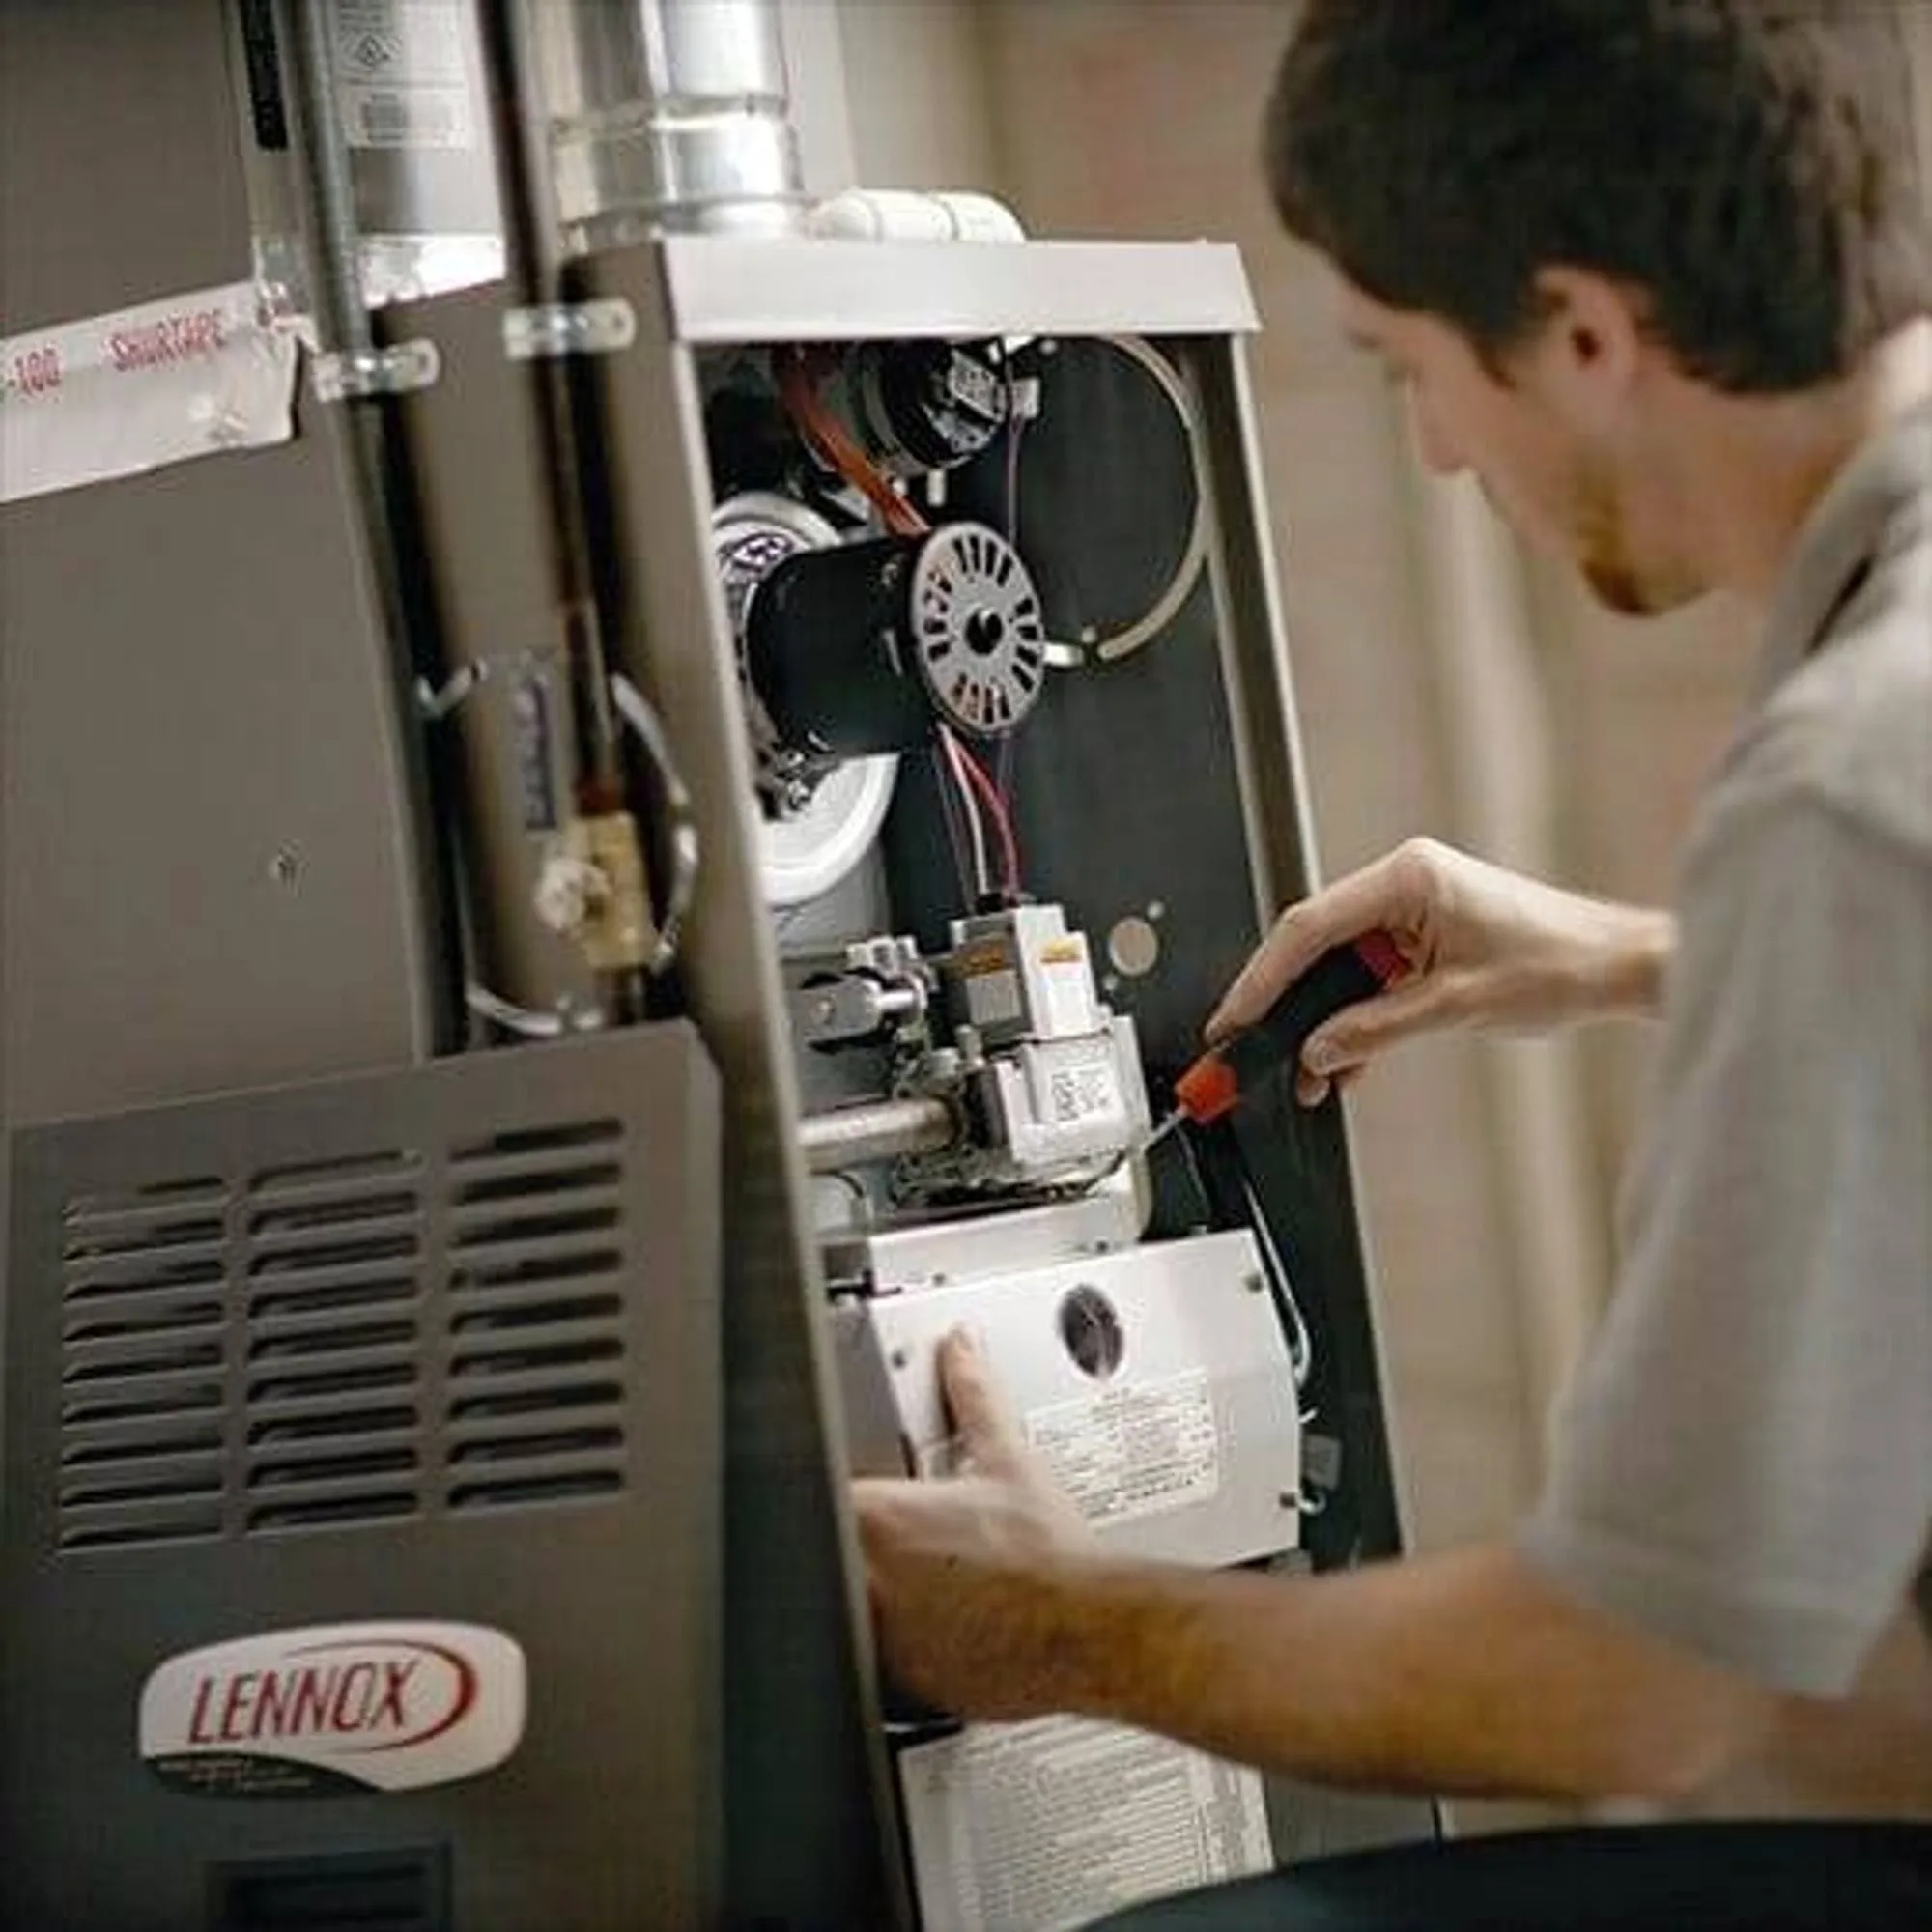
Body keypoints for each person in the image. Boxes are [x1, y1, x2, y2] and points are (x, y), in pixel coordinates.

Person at [854, 3, 1932, 1923]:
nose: (1437, 451)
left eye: (1413, 370)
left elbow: (1632, 1684)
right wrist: (1648, 957)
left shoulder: (1851, 789)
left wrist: (1049, 1619)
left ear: (1584, 334)